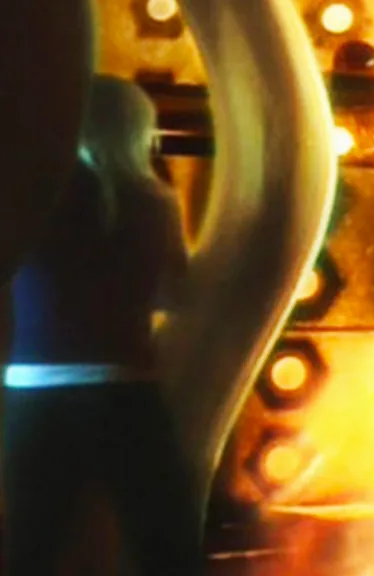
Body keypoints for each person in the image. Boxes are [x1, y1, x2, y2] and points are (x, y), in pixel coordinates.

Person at [2, 75, 200, 575]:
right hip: (126, 391)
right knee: (165, 546)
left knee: (32, 548)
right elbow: (176, 297)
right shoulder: (155, 202)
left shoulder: (30, 196)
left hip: (34, 392)